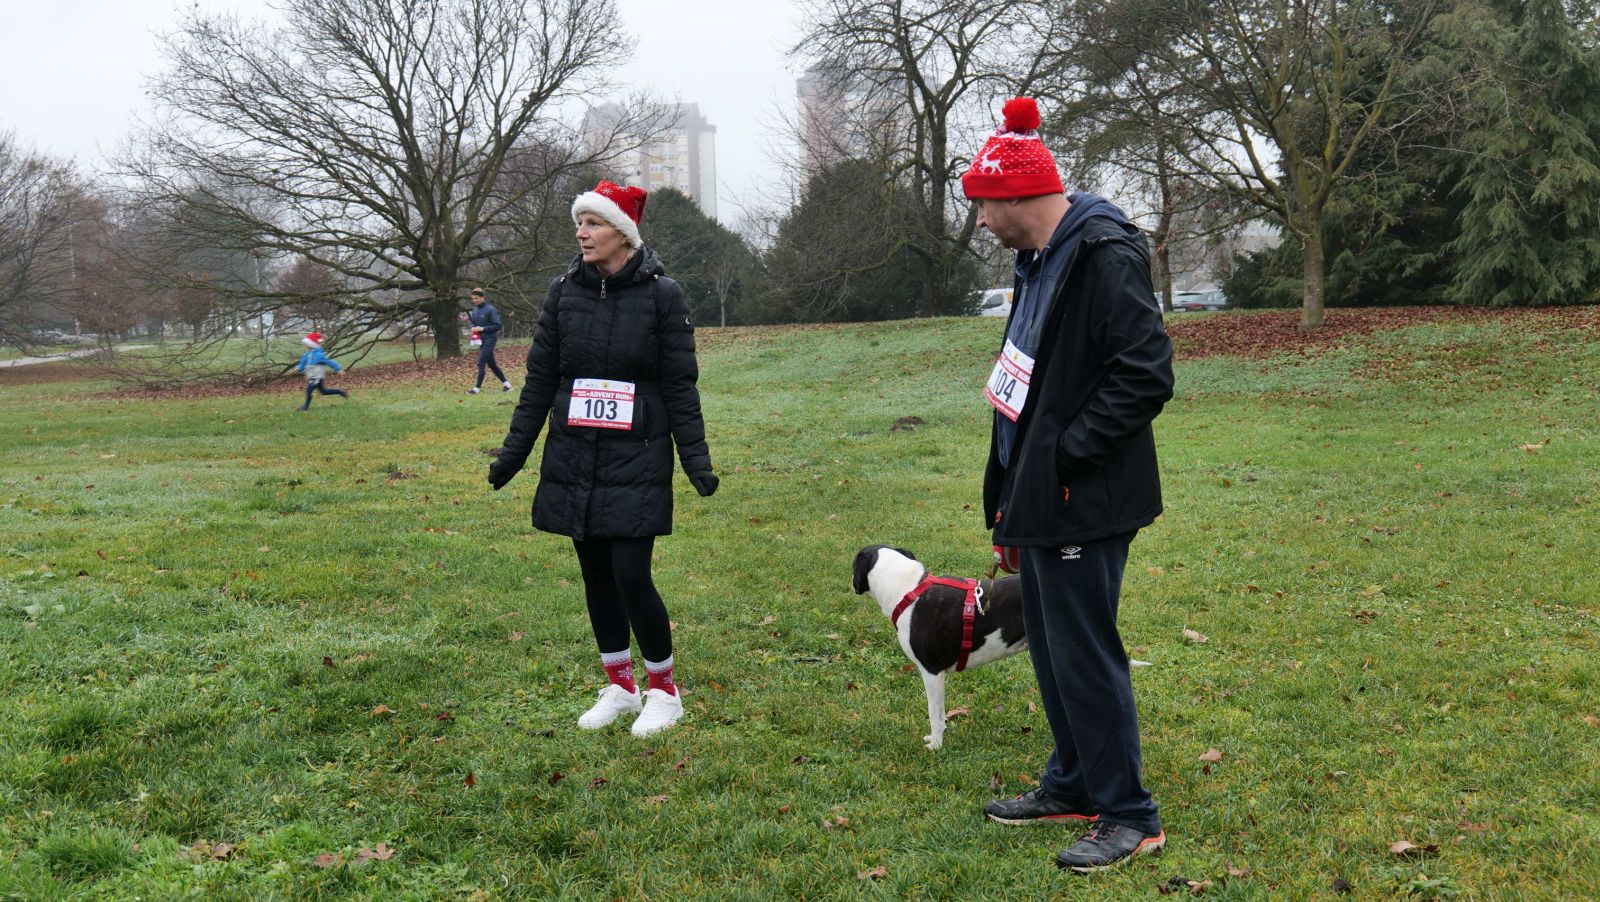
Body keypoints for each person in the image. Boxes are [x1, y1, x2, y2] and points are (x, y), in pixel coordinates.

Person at [964, 98, 1175, 872]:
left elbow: (1145, 374)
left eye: (982, 204)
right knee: (1052, 647)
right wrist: (1012, 491)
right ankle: (1075, 783)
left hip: (1084, 494)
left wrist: (1066, 457)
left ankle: (1129, 815)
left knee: (1084, 650)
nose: (980, 221)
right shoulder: (1039, 261)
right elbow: (1026, 379)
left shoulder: (1103, 253)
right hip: (1041, 493)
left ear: (1015, 195)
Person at [487, 180, 718, 737]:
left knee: (631, 574)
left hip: (637, 455)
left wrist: (696, 461)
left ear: (622, 232)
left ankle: (665, 693)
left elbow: (680, 386)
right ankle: (621, 686)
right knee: (596, 575)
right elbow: (540, 381)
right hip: (574, 452)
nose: (581, 233)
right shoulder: (563, 291)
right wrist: (512, 455)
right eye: (580, 223)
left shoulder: (663, 295)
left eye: (593, 223)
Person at [466, 287, 513, 394]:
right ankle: (507, 385)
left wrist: (482, 329)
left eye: (476, 298)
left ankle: (476, 389)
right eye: (473, 298)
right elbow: (473, 323)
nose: (474, 300)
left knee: (481, 362)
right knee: (492, 364)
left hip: (490, 339)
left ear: (482, 297)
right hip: (481, 341)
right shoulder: (475, 309)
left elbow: (497, 326)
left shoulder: (491, 309)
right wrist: (472, 327)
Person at [295, 332, 349, 410]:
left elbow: (329, 362)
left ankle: (305, 407)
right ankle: (340, 391)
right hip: (312, 376)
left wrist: (338, 369)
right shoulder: (307, 354)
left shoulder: (319, 355)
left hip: (317, 376)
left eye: (307, 343)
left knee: (309, 390)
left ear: (312, 344)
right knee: (323, 391)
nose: (305, 345)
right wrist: (299, 368)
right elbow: (303, 363)